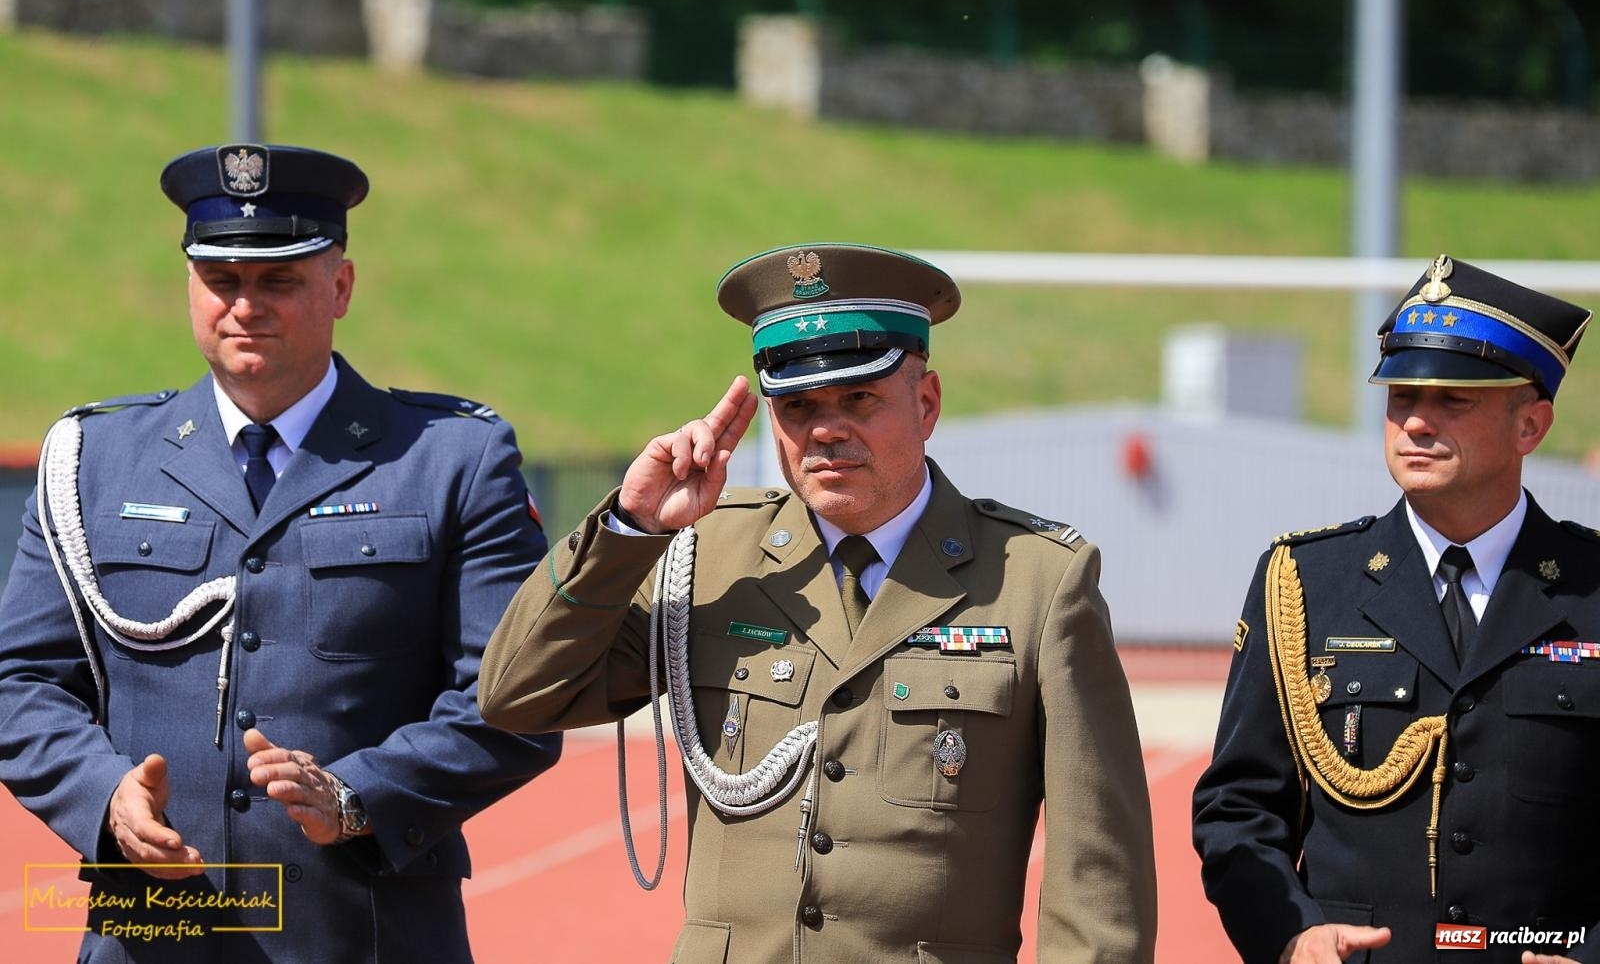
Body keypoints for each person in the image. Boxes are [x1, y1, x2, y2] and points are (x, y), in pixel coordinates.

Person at [479, 242, 1157, 963]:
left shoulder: (1036, 582)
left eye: (858, 399)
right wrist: (630, 528)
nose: (825, 430)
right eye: (798, 406)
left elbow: (1098, 883)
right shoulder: (705, 556)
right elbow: (518, 695)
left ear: (924, 404)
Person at [0, 144, 561, 962]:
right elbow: (20, 683)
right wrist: (104, 799)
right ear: (190, 288)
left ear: (340, 287)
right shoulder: (92, 460)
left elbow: (517, 700)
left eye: (279, 281)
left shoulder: (451, 460)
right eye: (221, 281)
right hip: (154, 936)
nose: (245, 307)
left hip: (362, 933)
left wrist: (358, 796)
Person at [1193, 255, 1600, 964]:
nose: (1415, 421)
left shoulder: (1593, 587)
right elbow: (1239, 809)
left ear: (1530, 426)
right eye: (1401, 396)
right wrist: (1289, 935)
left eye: (1453, 401)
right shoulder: (1306, 583)